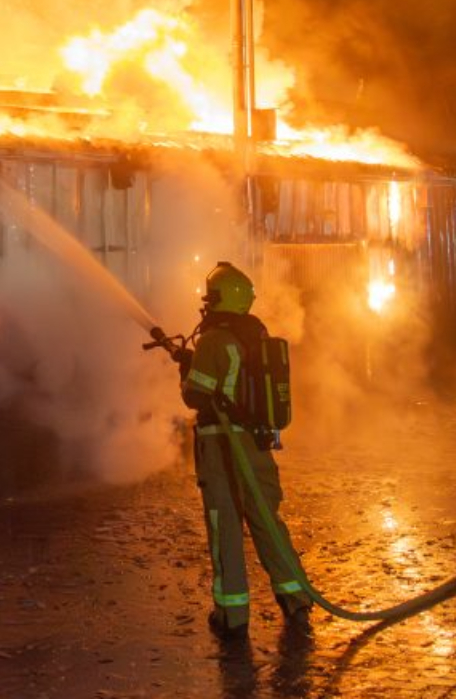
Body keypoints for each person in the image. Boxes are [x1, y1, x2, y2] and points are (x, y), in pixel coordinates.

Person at [153, 261, 314, 639]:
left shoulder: (213, 340)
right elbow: (233, 382)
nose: (205, 305)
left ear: (222, 298)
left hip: (222, 445)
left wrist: (187, 372)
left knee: (223, 523)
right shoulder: (254, 336)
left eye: (210, 297)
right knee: (264, 519)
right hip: (256, 444)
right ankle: (296, 597)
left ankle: (232, 613)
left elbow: (196, 395)